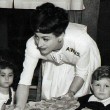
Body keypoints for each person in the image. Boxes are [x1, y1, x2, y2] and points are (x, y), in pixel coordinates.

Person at [14, 2, 101, 110]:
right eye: (37, 37)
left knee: (76, 101)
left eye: (45, 39)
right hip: (53, 55)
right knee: (52, 99)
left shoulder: (82, 43)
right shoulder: (32, 45)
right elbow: (24, 81)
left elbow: (81, 73)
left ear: (60, 36)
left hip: (78, 56)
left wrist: (70, 93)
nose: (39, 44)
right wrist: (18, 107)